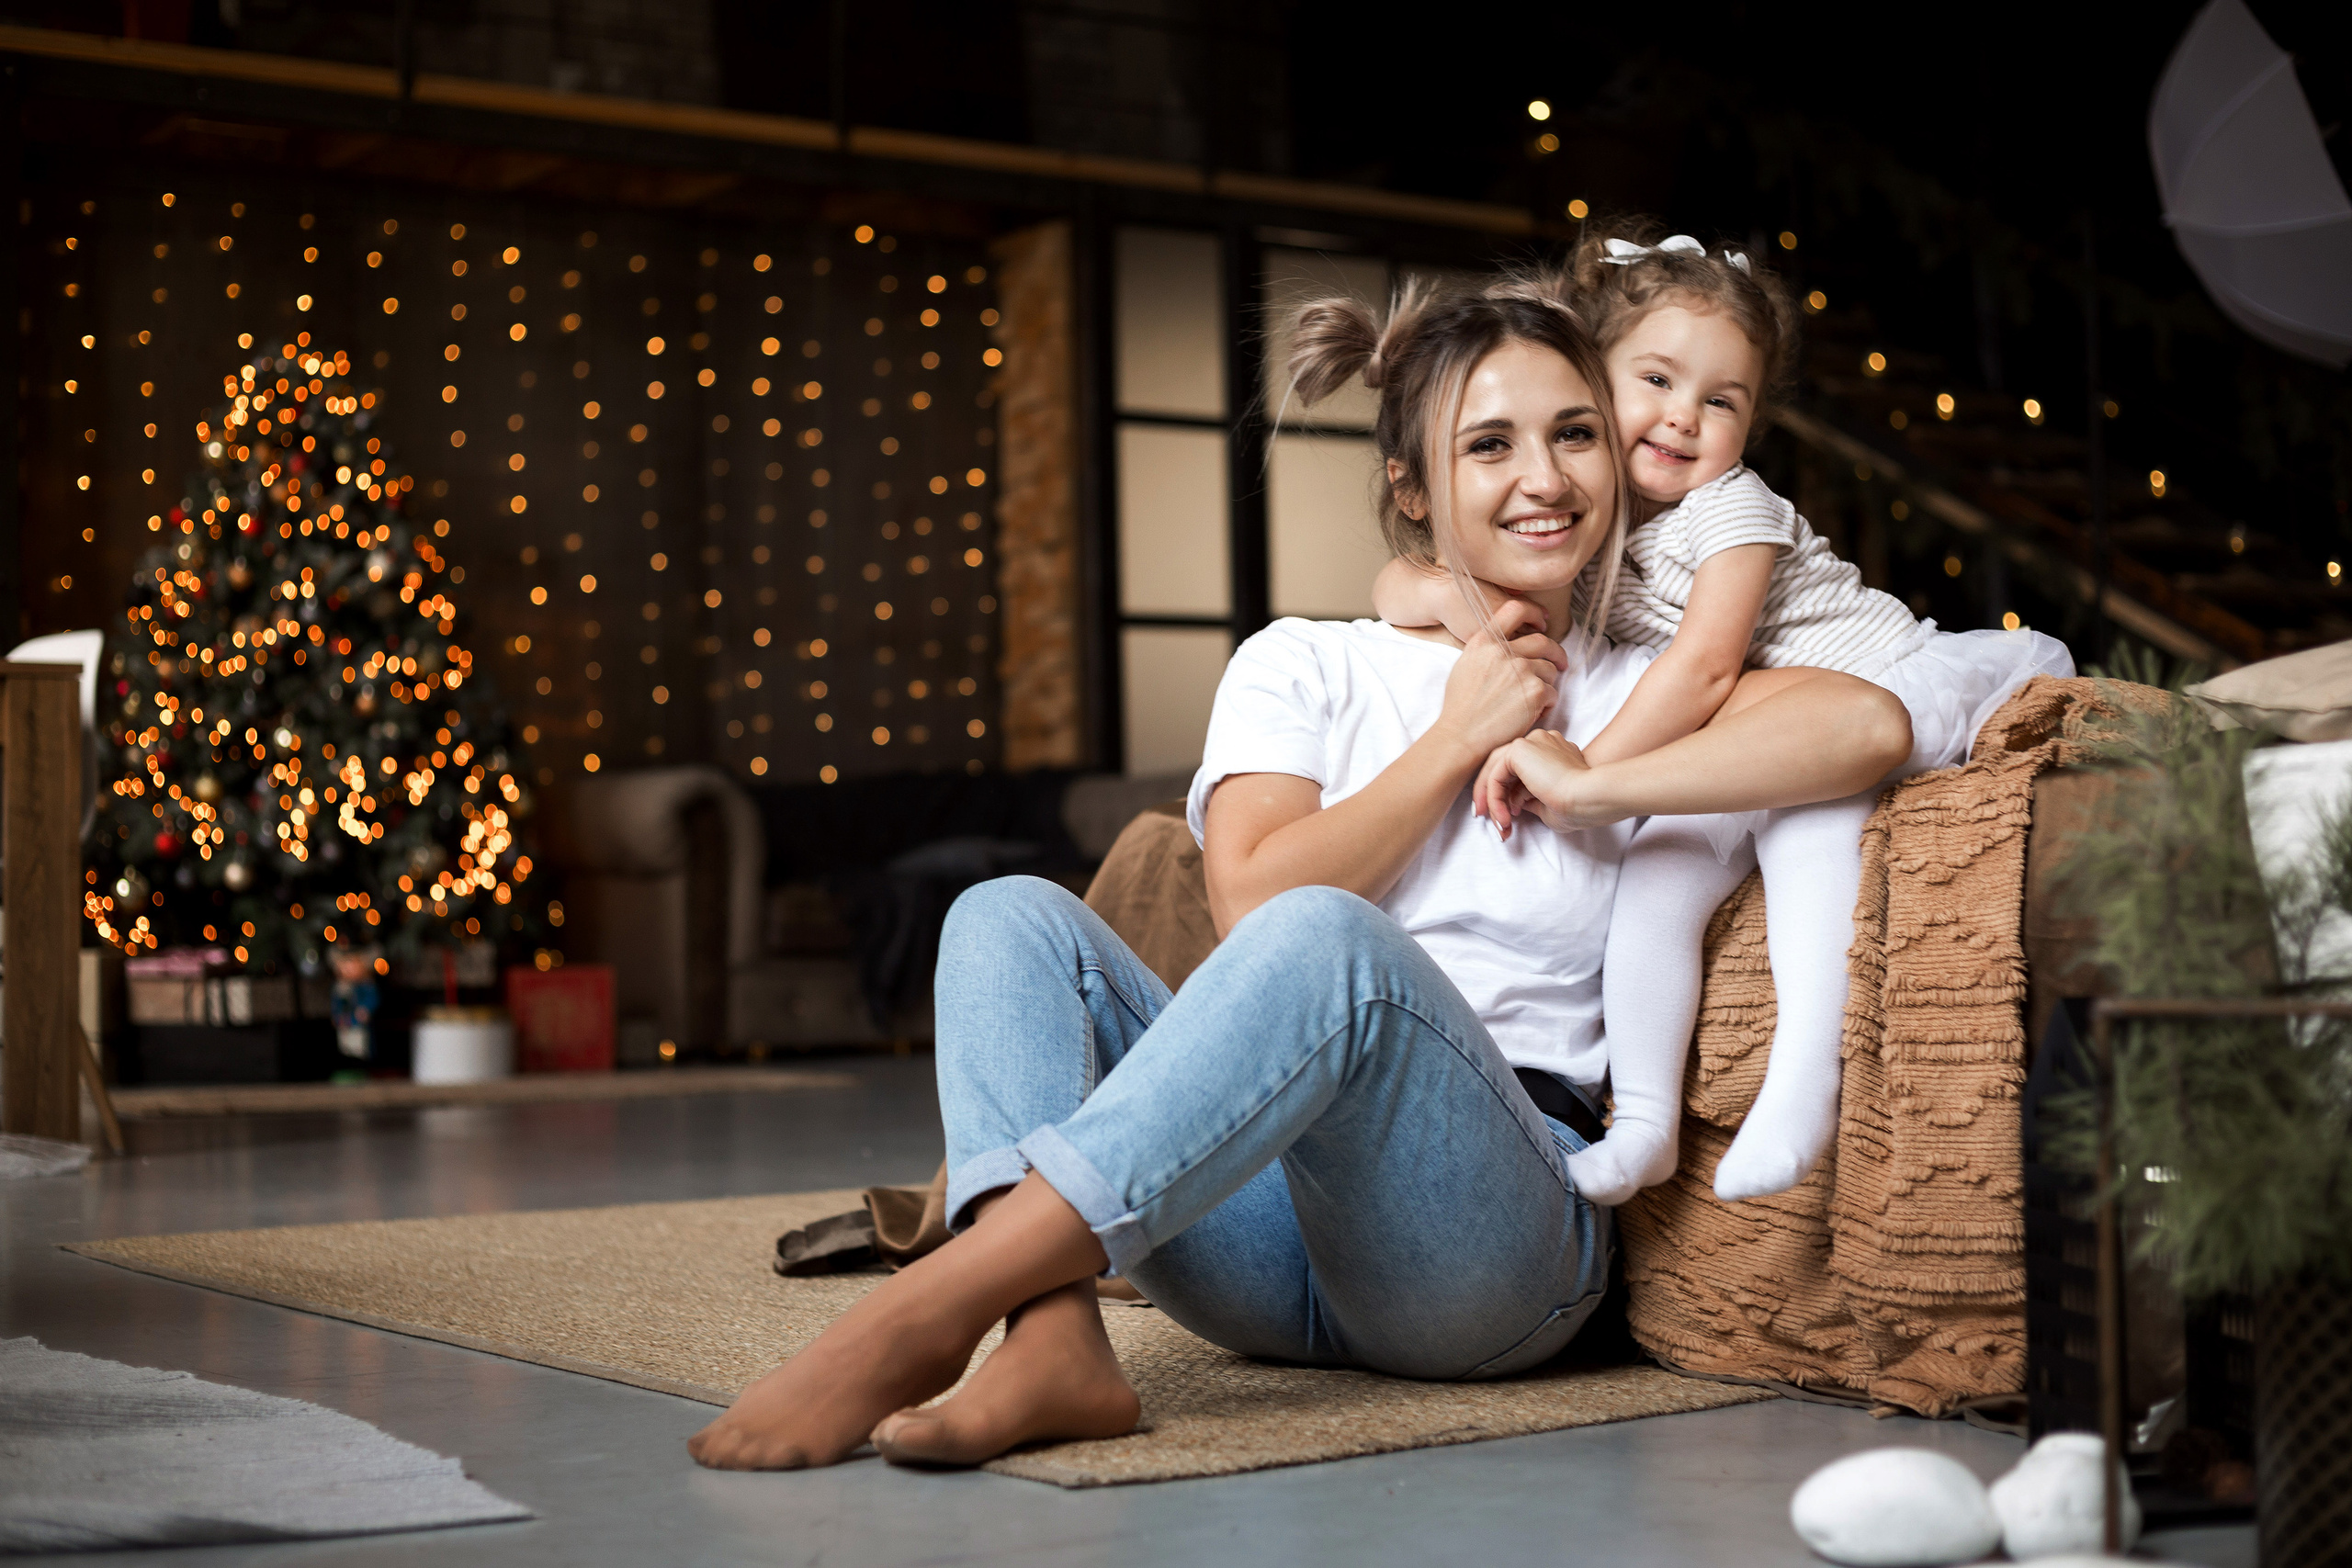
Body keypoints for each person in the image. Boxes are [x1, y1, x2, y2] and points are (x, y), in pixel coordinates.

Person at [687, 279, 1913, 1474]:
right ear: (1411, 489)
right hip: (1259, 1240)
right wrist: (1456, 735)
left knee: (1341, 949)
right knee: (1006, 917)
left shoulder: (1641, 679)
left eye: (1575, 433)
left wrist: (1587, 777)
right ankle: (1049, 1338)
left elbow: (1868, 722)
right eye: (1489, 444)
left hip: (1491, 1251)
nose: (1545, 477)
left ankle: (935, 1297)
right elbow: (1252, 904)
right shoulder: (1307, 663)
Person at [1374, 224, 2073, 1206]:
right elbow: (1400, 583)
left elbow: (1703, 669)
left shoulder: (1731, 509)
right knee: (1659, 872)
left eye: (1721, 401)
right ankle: (1647, 1122)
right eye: (1654, 382)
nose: (1683, 419)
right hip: (1763, 733)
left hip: (1890, 685)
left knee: (1810, 826)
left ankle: (1802, 1084)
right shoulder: (1589, 523)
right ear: (1592, 382)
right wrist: (1446, 597)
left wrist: (1579, 770)